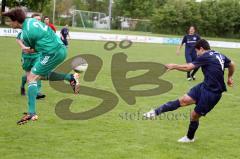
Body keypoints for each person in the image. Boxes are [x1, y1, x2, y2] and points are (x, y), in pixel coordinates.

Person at [144, 39, 235, 143]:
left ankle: (189, 138)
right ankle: (155, 112)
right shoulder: (218, 54)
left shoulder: (205, 55)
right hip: (204, 86)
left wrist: (174, 66)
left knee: (194, 115)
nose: (197, 54)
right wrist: (230, 77)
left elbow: (188, 67)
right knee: (183, 100)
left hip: (213, 93)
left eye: (197, 51)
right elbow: (232, 64)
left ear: (201, 49)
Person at [3, 8, 80, 125]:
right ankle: (70, 78)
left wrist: (27, 50)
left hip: (53, 52)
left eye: (10, 20)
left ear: (16, 21)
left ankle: (31, 113)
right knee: (41, 76)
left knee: (31, 78)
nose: (9, 23)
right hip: (57, 49)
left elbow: (33, 49)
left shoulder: (27, 34)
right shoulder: (29, 21)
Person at [18, 13, 45, 99]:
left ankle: (37, 92)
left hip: (37, 56)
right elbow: (18, 39)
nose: (38, 21)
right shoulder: (26, 30)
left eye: (39, 20)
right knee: (28, 75)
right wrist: (23, 47)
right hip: (26, 57)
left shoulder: (42, 31)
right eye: (36, 19)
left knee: (37, 72)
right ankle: (22, 86)